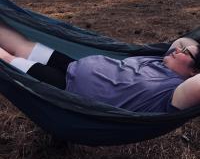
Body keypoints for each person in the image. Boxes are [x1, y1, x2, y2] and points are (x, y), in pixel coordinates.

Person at [0, 21, 200, 113]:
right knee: (22, 45)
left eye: (186, 53)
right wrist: (190, 46)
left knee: (7, 61)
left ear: (194, 72)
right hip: (73, 66)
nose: (178, 50)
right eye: (181, 48)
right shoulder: (160, 58)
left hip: (67, 92)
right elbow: (184, 40)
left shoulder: (175, 91)